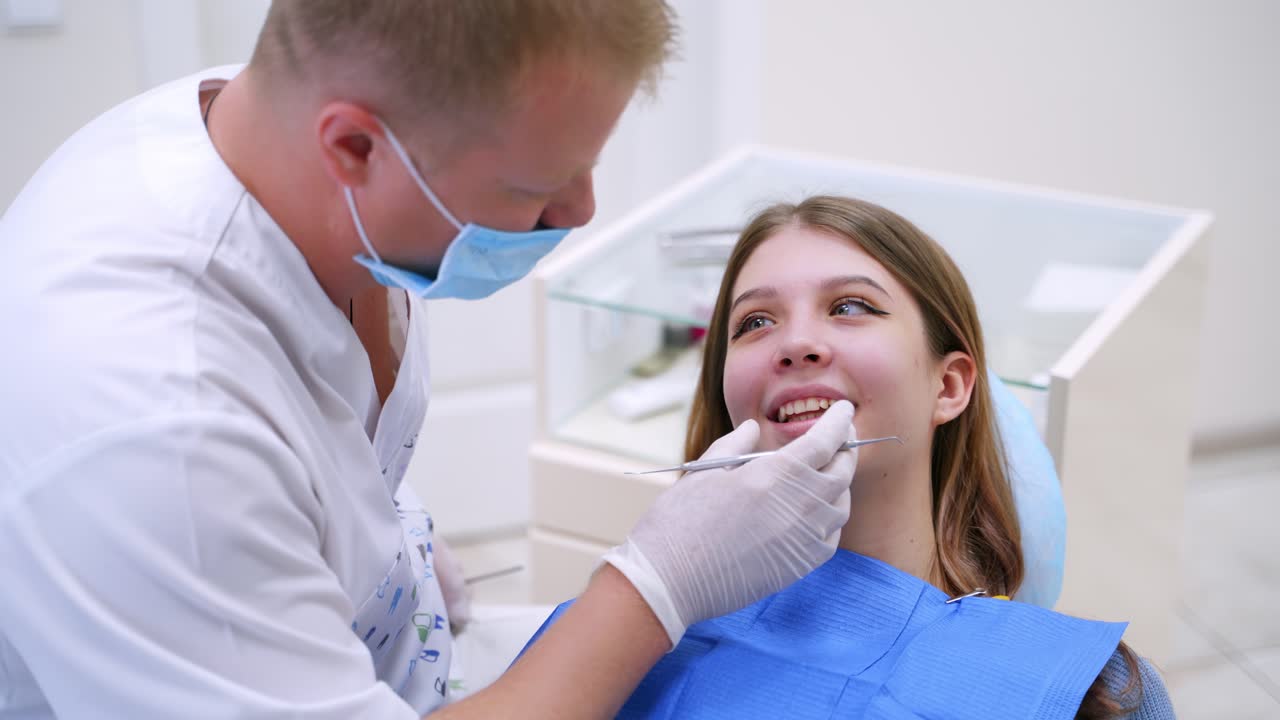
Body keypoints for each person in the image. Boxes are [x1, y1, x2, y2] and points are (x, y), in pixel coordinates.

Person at [0, 4, 864, 719]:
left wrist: (377, 537)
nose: (582, 209)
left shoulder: (291, 132)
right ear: (353, 149)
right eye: (533, 191)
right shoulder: (156, 428)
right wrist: (657, 584)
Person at [529, 196, 1175, 718]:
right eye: (755, 322)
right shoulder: (618, 640)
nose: (796, 343)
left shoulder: (1095, 695)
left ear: (948, 387)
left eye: (850, 307)